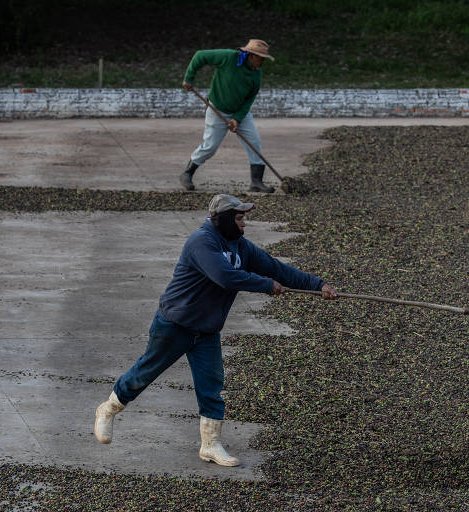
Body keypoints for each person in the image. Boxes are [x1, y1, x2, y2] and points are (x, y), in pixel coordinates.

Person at [94, 194, 338, 466]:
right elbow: (225, 276)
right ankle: (109, 408)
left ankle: (210, 445)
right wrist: (266, 285)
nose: (244, 224)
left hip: (207, 331)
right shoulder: (201, 242)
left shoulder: (241, 247)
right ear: (223, 219)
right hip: (175, 325)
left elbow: (275, 268)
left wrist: (318, 285)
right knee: (145, 373)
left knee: (211, 387)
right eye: (239, 218)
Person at [179, 39, 275, 193]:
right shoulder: (229, 57)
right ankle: (187, 173)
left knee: (254, 142)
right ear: (251, 55)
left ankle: (256, 182)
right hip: (217, 108)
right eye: (260, 58)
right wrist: (189, 78)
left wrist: (237, 118)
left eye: (264, 58)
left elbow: (249, 99)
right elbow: (200, 56)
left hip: (239, 113)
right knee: (210, 146)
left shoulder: (256, 74)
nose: (263, 61)